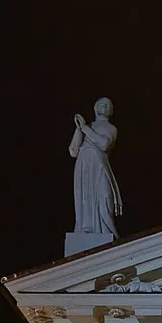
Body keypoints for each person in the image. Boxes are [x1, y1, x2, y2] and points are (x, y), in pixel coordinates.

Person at [70, 97, 122, 236]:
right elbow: (73, 151)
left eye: (107, 104)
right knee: (85, 196)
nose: (104, 105)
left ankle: (106, 231)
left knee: (104, 195)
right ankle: (84, 228)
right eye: (101, 103)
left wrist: (84, 128)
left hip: (99, 164)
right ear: (94, 107)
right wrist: (78, 129)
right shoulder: (88, 126)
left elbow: (104, 144)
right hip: (84, 163)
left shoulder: (111, 128)